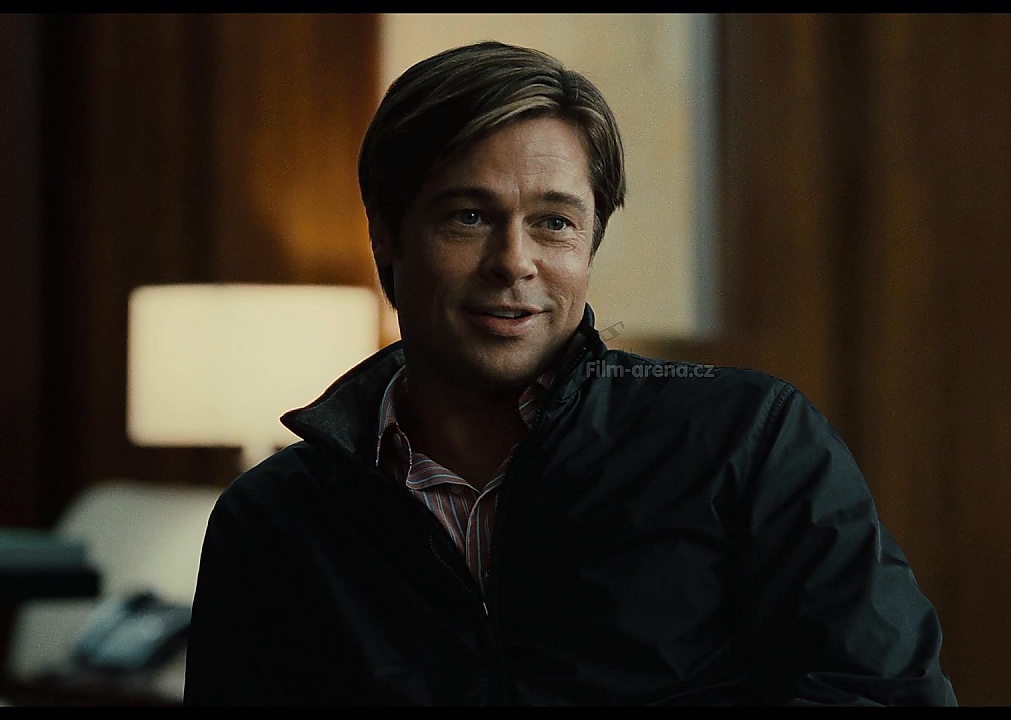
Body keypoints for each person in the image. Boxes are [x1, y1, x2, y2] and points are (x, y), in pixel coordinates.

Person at [183, 40, 958, 707]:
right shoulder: (273, 522)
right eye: (468, 216)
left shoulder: (748, 439)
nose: (513, 263)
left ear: (590, 244)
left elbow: (884, 692)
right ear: (386, 233)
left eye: (553, 223)